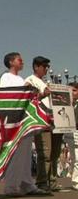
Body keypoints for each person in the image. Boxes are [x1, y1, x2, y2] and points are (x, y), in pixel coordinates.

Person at [0, 52, 50, 196]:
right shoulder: (6, 77)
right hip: (14, 120)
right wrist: (24, 89)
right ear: (11, 62)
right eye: (19, 59)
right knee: (15, 154)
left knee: (26, 154)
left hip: (25, 120)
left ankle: (26, 183)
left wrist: (38, 95)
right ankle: (11, 186)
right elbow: (7, 96)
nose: (22, 62)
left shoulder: (21, 78)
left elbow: (27, 100)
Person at [25, 56, 64, 192]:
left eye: (47, 67)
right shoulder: (29, 81)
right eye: (44, 66)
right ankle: (41, 182)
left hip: (55, 120)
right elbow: (28, 100)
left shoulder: (46, 82)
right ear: (36, 66)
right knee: (45, 153)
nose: (46, 69)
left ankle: (52, 180)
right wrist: (42, 95)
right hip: (42, 121)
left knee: (55, 153)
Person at [63, 82, 78, 190]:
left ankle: (75, 180)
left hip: (76, 132)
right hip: (69, 134)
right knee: (74, 158)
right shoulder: (65, 104)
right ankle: (75, 179)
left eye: (74, 90)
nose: (72, 93)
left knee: (77, 158)